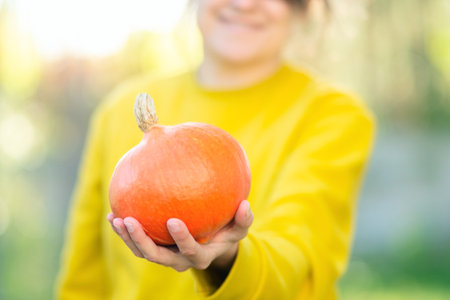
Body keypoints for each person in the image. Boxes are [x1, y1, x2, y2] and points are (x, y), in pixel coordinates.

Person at [55, 0, 375, 299]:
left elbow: (298, 257)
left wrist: (226, 261)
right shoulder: (118, 110)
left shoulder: (332, 115)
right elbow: (84, 278)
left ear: (303, 8)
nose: (245, 3)